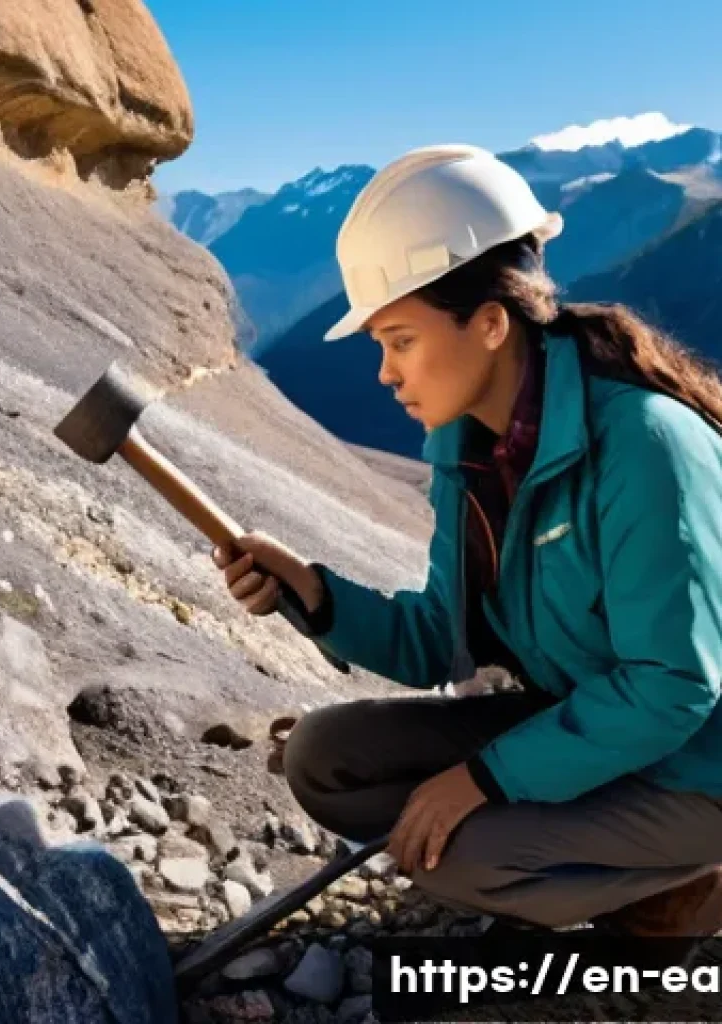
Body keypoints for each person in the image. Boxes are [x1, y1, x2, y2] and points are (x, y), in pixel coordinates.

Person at [213, 144, 722, 936]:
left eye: (400, 340)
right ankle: (601, 864)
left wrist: (486, 777)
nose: (385, 372)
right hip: (593, 723)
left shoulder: (644, 444)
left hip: (699, 764)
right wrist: (312, 596)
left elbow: (674, 688)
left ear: (489, 324)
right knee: (325, 756)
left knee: (458, 856)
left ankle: (691, 884)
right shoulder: (467, 450)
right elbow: (435, 639)